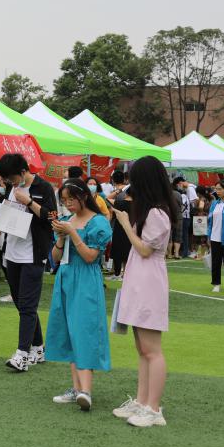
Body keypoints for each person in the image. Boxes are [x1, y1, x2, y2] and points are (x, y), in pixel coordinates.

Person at [111, 155, 177, 427]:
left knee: (152, 349)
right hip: (139, 279)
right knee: (142, 348)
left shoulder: (158, 213)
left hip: (149, 281)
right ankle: (141, 402)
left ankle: (154, 408)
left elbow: (145, 249)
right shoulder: (149, 210)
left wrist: (126, 224)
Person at [46, 178, 112, 411]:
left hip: (85, 280)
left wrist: (72, 232)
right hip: (65, 278)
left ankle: (86, 390)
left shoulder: (98, 223)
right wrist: (62, 236)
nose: (67, 204)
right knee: (70, 330)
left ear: (84, 196)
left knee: (84, 330)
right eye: (64, 200)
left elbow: (90, 257)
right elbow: (54, 258)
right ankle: (77, 389)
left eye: (70, 199)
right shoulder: (66, 221)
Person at [0, 153, 58, 372]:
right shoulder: (11, 188)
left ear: (23, 172)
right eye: (7, 180)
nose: (11, 183)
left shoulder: (43, 187)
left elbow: (52, 218)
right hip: (11, 252)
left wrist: (29, 202)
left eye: (12, 178)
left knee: (28, 305)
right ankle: (38, 348)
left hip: (33, 254)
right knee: (21, 304)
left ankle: (22, 354)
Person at [107, 169, 129, 281]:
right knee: (125, 249)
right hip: (128, 226)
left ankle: (117, 273)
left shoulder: (120, 197)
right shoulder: (129, 194)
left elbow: (108, 198)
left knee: (118, 249)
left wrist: (118, 191)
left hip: (119, 224)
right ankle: (124, 273)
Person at [192, 186, 211, 261]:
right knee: (204, 237)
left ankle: (202, 255)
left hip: (201, 219)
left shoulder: (202, 199)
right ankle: (204, 254)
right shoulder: (207, 198)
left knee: (202, 238)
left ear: (198, 193)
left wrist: (196, 205)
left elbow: (201, 207)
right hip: (205, 218)